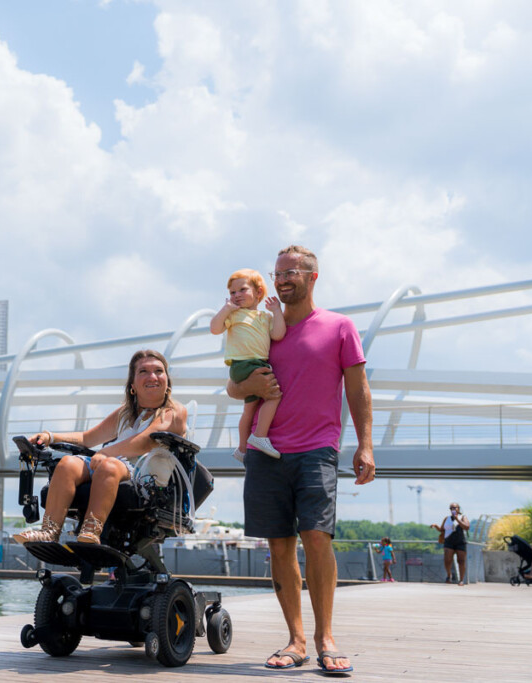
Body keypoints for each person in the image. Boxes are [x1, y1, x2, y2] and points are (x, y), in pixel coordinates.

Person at [229, 245, 374, 674]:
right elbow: (237, 385)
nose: (283, 279)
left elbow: (358, 389)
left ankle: (325, 636)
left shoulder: (339, 326)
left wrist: (364, 444)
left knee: (316, 537)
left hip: (317, 447)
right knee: (279, 544)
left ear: (313, 276)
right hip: (265, 448)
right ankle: (295, 640)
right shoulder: (258, 324)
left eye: (291, 272)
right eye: (277, 273)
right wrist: (241, 387)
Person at [11, 349, 189, 545]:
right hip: (111, 463)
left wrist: (104, 453)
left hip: (144, 478)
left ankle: (91, 531)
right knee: (67, 464)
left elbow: (145, 442)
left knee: (108, 466)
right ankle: (49, 531)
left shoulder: (174, 412)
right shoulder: (126, 414)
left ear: (167, 381)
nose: (152, 376)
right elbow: (87, 438)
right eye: (143, 371)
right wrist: (50, 436)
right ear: (133, 385)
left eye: (158, 371)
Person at [210, 268, 286, 462]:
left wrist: (277, 312)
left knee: (249, 410)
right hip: (244, 364)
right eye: (232, 293)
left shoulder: (265, 317)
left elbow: (278, 334)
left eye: (242, 290)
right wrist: (226, 309)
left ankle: (242, 449)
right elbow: (215, 328)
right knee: (273, 395)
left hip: (256, 363)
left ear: (258, 292)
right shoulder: (234, 315)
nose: (236, 296)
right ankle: (260, 436)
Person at [431, 502, 469, 585]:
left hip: (460, 541)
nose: (453, 509)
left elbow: (467, 527)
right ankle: (449, 575)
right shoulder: (447, 518)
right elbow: (442, 530)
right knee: (447, 560)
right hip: (449, 541)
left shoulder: (463, 517)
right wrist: (436, 526)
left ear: (458, 509)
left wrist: (457, 519)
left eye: (455, 508)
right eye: (451, 508)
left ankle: (461, 580)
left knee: (461, 561)